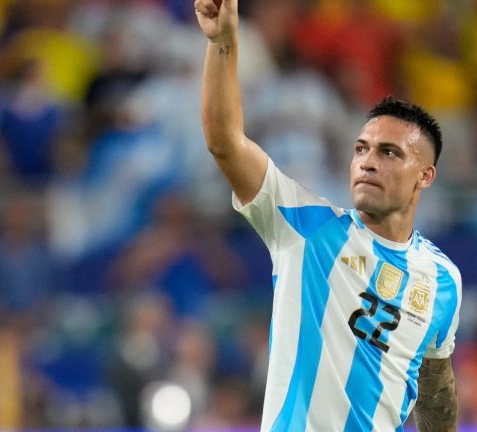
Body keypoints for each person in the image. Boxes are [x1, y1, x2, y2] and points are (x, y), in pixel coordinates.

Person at [194, 0, 462, 430]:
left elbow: (435, 391)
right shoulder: (306, 228)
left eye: (389, 152)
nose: (368, 162)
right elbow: (225, 142)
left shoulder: (443, 280)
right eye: (361, 150)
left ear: (425, 176)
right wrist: (223, 42)